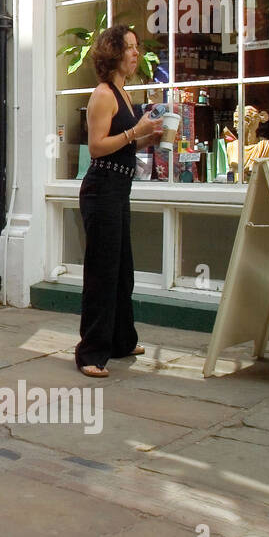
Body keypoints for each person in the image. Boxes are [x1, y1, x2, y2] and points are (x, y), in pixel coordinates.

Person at [74, 25, 162, 379]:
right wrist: (134, 133)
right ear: (113, 53)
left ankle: (121, 340)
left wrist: (147, 138)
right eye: (129, 48)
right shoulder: (103, 94)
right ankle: (90, 352)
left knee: (123, 270)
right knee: (102, 271)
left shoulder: (124, 94)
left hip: (119, 189)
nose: (135, 53)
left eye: (136, 47)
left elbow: (124, 143)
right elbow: (96, 147)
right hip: (101, 190)